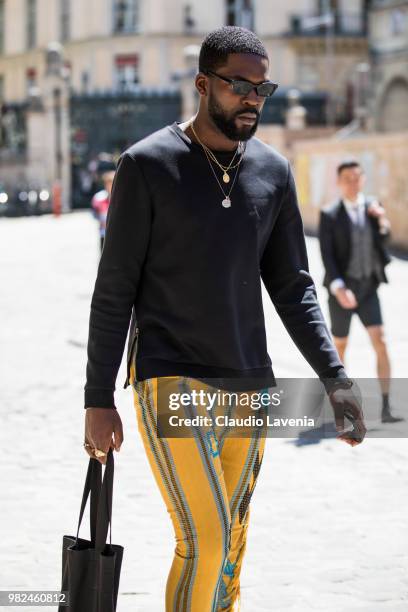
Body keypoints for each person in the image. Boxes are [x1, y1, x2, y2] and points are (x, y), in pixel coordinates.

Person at [83, 27, 366, 611]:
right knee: (203, 537)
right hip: (170, 376)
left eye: (262, 89)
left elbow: (293, 287)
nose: (253, 100)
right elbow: (113, 291)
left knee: (231, 543)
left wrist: (335, 377)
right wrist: (97, 397)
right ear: (203, 83)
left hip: (248, 383)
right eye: (240, 86)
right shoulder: (146, 166)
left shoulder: (274, 172)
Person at [319, 160, 403, 424]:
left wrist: (381, 220)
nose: (353, 182)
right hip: (341, 290)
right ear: (339, 182)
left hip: (368, 288)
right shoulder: (329, 214)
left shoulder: (372, 207)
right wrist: (340, 287)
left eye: (357, 177)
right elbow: (327, 256)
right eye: (347, 178)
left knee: (381, 342)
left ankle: (387, 407)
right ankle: (341, 407)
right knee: (340, 349)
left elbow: (384, 239)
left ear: (363, 179)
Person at [91, 170, 115, 253]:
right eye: (108, 183)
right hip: (104, 234)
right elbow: (94, 214)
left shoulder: (122, 198)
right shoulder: (99, 198)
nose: (110, 186)